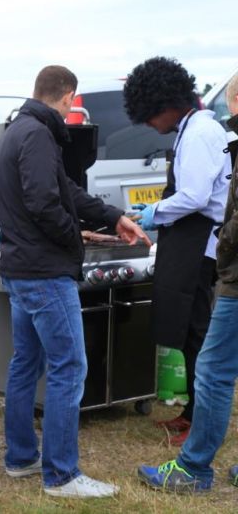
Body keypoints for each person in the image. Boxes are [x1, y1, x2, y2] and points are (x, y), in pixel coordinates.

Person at [0, 65, 150, 498]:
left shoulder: (17, 130)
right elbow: (46, 204)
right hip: (44, 273)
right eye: (71, 105)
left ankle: (21, 458)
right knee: (69, 368)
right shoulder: (40, 135)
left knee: (26, 363)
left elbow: (64, 192)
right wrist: (72, 239)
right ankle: (61, 475)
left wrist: (114, 217)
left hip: (21, 267)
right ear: (66, 97)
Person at [138, 72, 238, 493]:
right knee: (199, 344)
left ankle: (194, 462)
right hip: (210, 249)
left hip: (214, 253)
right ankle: (194, 423)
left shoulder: (201, 133)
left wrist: (152, 213)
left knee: (209, 358)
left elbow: (198, 197)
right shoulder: (197, 130)